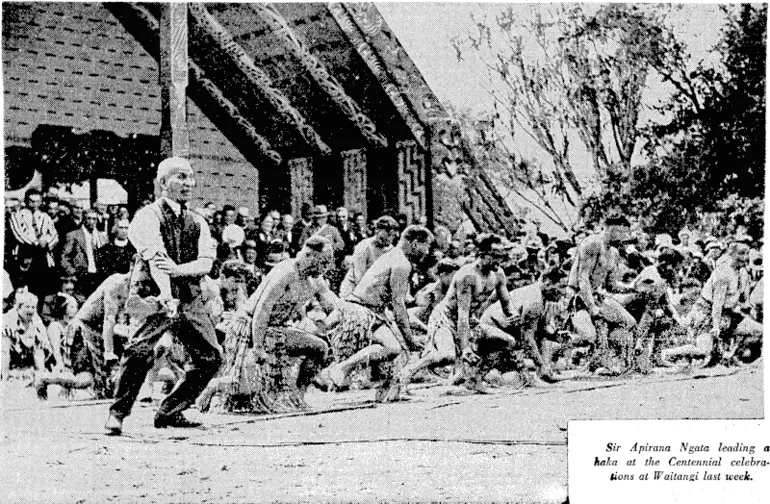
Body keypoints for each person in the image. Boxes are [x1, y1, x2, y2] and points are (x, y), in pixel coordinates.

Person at [104, 157, 222, 435]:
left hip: (188, 296)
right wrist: (167, 296)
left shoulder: (198, 222)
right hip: (153, 294)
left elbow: (206, 262)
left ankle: (171, 411)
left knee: (211, 358)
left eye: (191, 177)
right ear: (162, 183)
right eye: (180, 177)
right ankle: (117, 414)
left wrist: (180, 271)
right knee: (139, 351)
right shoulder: (146, 217)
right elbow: (157, 260)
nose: (188, 183)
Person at [199, 236, 336, 412]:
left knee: (319, 348)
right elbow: (262, 310)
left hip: (278, 330)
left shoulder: (316, 280)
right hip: (249, 327)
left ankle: (297, 397)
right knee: (248, 388)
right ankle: (213, 386)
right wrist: (258, 346)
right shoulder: (286, 272)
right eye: (323, 262)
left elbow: (333, 307)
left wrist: (333, 320)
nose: (326, 268)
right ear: (309, 255)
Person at [318, 225, 433, 402]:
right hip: (361, 312)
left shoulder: (393, 256)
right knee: (393, 347)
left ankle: (387, 391)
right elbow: (398, 306)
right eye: (427, 246)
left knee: (395, 345)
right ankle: (342, 368)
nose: (427, 252)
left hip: (367, 310)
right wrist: (410, 339)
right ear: (416, 243)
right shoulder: (401, 263)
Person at [397, 234, 520, 394]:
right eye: (496, 255)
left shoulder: (498, 274)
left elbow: (506, 303)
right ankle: (408, 372)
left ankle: (473, 379)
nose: (500, 259)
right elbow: (462, 315)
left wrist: (513, 314)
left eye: (502, 255)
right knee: (446, 355)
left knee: (507, 341)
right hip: (445, 318)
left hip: (470, 319)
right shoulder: (467, 275)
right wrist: (465, 348)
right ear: (482, 254)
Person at [662, 242, 762, 367]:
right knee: (703, 350)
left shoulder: (742, 272)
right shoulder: (723, 274)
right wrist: (715, 325)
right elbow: (717, 303)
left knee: (760, 331)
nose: (745, 258)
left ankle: (731, 356)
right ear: (731, 255)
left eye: (747, 254)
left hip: (728, 314)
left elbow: (738, 299)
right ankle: (667, 354)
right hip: (707, 314)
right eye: (741, 254)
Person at [567, 214, 637, 373]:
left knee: (629, 322)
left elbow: (612, 284)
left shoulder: (613, 252)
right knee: (598, 326)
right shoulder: (592, 243)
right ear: (612, 229)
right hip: (579, 296)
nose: (624, 238)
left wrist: (633, 286)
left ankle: (611, 357)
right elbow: (582, 278)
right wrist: (591, 307)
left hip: (598, 295)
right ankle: (597, 360)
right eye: (622, 233)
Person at [8, 188, 59, 298]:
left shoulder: (45, 217)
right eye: (31, 201)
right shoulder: (17, 215)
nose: (34, 204)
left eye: (37, 201)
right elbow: (19, 234)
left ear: (41, 202)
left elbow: (54, 235)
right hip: (26, 254)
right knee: (24, 288)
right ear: (26, 201)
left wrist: (46, 242)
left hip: (43, 255)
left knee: (41, 289)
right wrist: (35, 242)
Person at [338, 216, 400, 297]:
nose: (388, 240)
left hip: (375, 292)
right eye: (383, 237)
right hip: (353, 291)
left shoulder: (391, 250)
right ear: (376, 231)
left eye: (392, 236)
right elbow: (359, 278)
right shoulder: (364, 246)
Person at [1, 289, 53, 380]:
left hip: (31, 373)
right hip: (12, 373)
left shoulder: (37, 328)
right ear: (19, 308)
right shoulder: (9, 327)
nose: (30, 310)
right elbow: (4, 354)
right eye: (27, 306)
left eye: (33, 307)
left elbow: (39, 356)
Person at [60, 209, 108, 297]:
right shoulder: (73, 235)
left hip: (98, 276)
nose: (92, 222)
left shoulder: (101, 237)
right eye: (89, 218)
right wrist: (72, 273)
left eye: (94, 219)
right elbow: (65, 257)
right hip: (81, 276)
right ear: (83, 219)